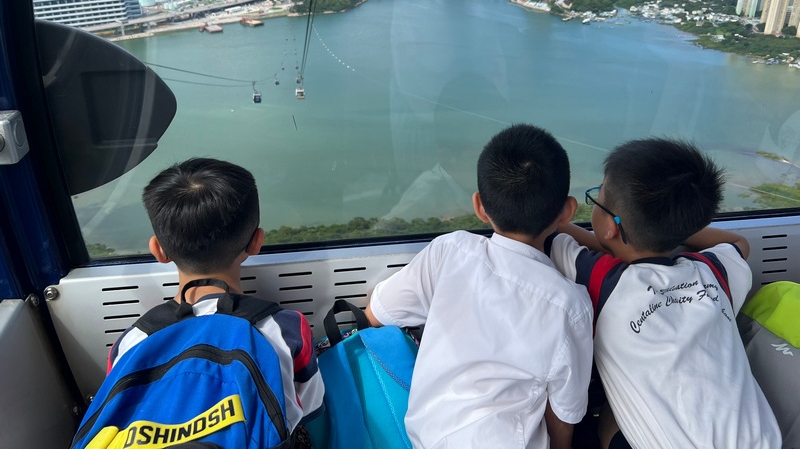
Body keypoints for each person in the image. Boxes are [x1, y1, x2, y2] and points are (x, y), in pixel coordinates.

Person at [365, 123, 594, 449]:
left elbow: (376, 313)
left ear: (479, 207)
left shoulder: (449, 251)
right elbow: (564, 416)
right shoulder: (570, 306)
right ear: (569, 211)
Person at [547, 138, 781, 449]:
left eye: (598, 199)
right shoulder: (713, 273)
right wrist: (668, 223)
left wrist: (637, 228)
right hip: (762, 442)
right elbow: (740, 243)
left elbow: (551, 229)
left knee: (611, 411)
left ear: (611, 228)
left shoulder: (603, 281)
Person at [107, 157, 325, 437]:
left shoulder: (130, 342)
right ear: (257, 242)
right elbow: (309, 408)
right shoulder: (287, 328)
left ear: (158, 250)